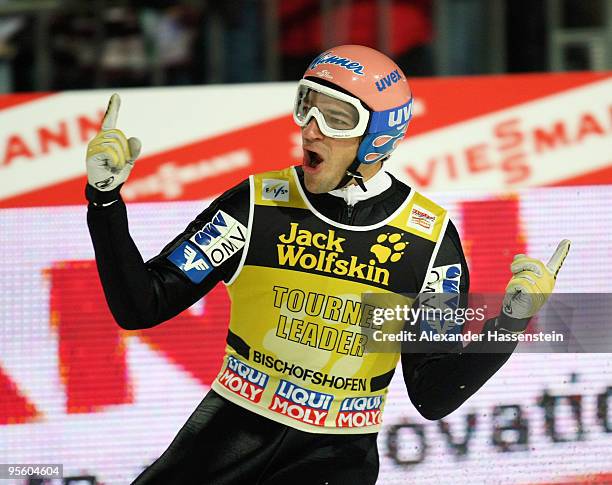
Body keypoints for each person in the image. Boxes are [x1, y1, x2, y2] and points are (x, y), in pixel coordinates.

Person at [85, 45, 570, 485]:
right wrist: (105, 201)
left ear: (379, 137)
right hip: (229, 433)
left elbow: (433, 394)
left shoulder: (426, 240)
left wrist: (511, 321)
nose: (311, 128)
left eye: (337, 117)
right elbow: (141, 305)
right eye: (307, 106)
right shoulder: (257, 205)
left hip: (334, 458)